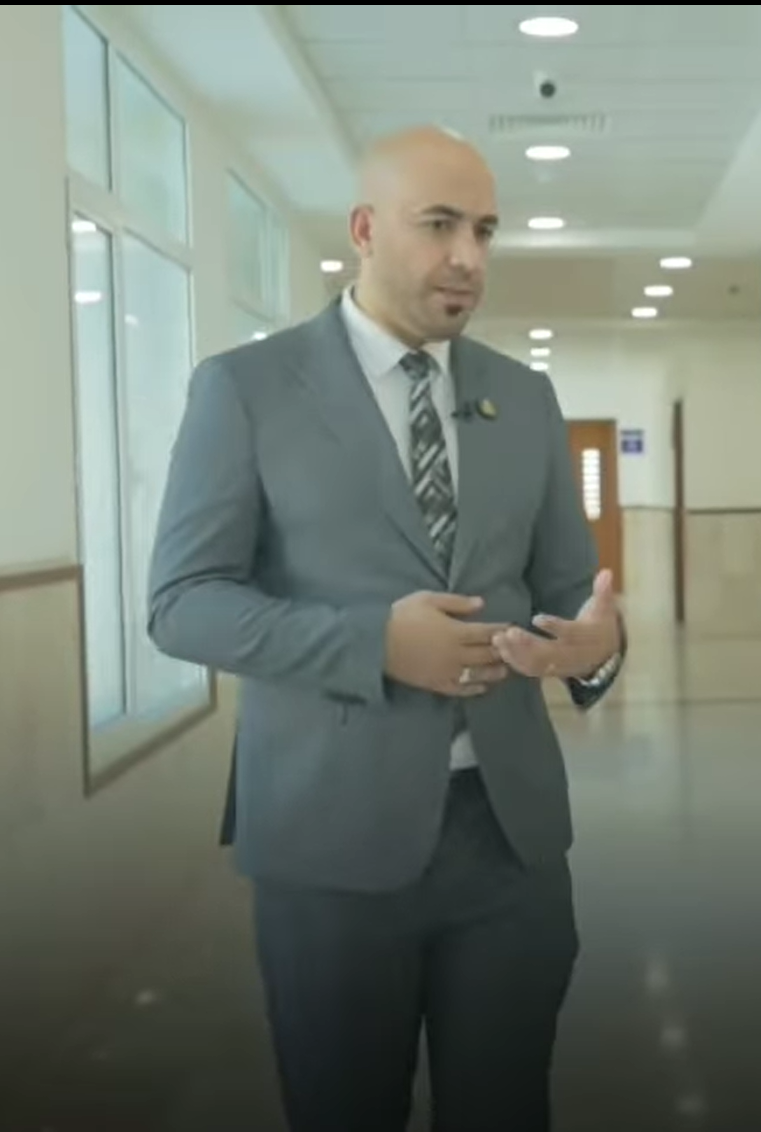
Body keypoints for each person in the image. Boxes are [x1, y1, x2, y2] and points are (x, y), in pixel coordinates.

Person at [145, 125, 625, 1132]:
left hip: (509, 841)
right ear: (364, 230)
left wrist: (596, 647)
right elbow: (183, 600)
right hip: (328, 840)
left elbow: (570, 590)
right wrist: (373, 643)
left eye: (484, 231)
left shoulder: (522, 396)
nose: (468, 257)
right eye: (439, 225)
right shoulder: (247, 389)